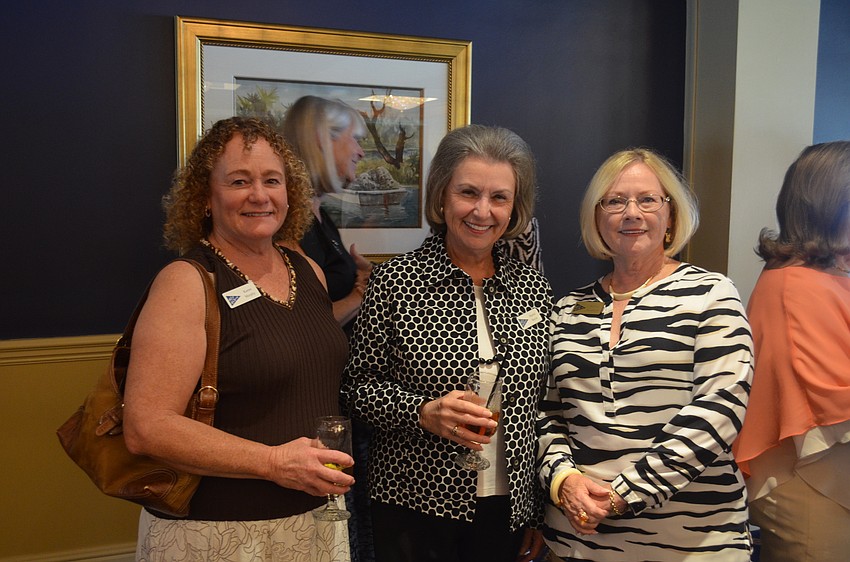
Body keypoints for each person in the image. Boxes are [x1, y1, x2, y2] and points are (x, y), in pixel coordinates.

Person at [123, 117, 354, 561]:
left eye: (273, 180)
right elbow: (145, 428)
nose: (260, 195)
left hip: (315, 521)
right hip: (218, 533)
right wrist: (272, 463)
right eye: (238, 181)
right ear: (205, 198)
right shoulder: (186, 283)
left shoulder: (309, 272)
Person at [341, 124, 552, 562]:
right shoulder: (396, 283)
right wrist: (422, 412)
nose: (482, 211)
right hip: (414, 500)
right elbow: (356, 388)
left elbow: (544, 406)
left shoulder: (533, 289)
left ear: (515, 209)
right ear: (441, 196)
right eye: (468, 193)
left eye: (499, 198)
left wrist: (537, 510)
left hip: (507, 506)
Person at [537, 148, 754, 561]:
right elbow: (546, 413)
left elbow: (720, 410)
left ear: (671, 216)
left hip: (692, 541)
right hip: (579, 541)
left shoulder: (711, 294)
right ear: (597, 217)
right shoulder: (568, 308)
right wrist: (563, 480)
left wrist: (622, 496)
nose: (631, 213)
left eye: (648, 200)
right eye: (615, 201)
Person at [733, 141, 850, 562]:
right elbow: (831, 392)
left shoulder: (828, 275)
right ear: (830, 202)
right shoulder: (797, 285)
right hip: (809, 478)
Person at [282, 95, 374, 331]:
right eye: (354, 139)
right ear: (321, 139)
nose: (361, 152)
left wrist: (365, 276)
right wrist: (360, 294)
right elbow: (301, 326)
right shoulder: (288, 223)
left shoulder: (320, 216)